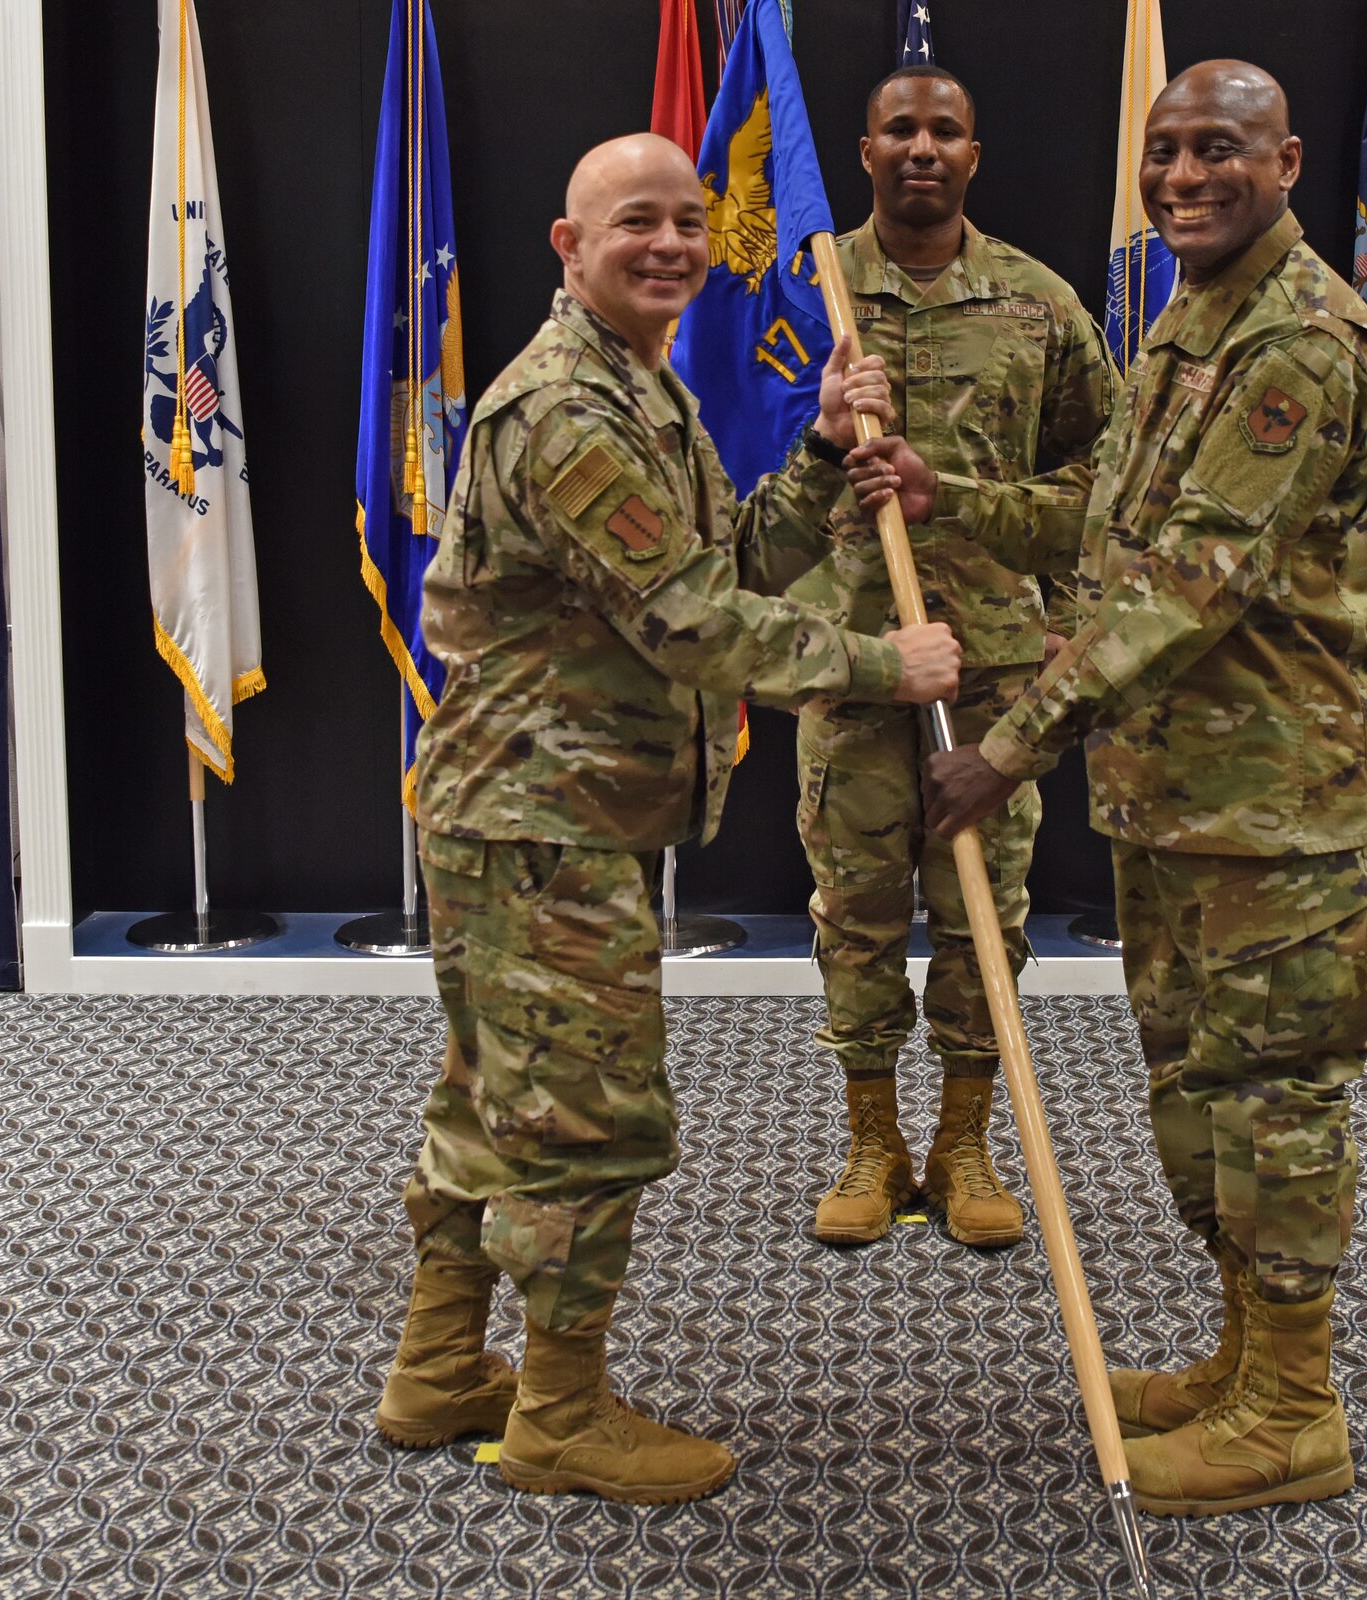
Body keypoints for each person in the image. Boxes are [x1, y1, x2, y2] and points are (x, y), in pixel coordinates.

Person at [373, 133, 960, 1504]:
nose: (673, 244)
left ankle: (439, 1372)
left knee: (492, 1100)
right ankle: (560, 1417)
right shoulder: (568, 410)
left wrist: (819, 459)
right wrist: (887, 665)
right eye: (636, 222)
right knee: (586, 1122)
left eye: (691, 221)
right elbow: (694, 623)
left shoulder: (641, 390)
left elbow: (719, 562)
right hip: (541, 825)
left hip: (554, 816)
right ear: (570, 247)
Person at [911, 62, 1367, 1515]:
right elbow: (1111, 524)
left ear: (1291, 161)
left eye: (1221, 152)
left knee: (1276, 1104)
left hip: (1276, 815)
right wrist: (954, 496)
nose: (1187, 177)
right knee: (1200, 1103)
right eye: (1167, 151)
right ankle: (1245, 1364)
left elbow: (1189, 586)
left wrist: (1009, 745)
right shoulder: (1192, 323)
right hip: (1177, 798)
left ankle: (1296, 1410)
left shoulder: (1302, 345)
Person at [784, 64, 1116, 1250]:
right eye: (898, 130)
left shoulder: (1038, 304)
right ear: (862, 149)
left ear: (973, 155)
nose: (920, 148)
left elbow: (1105, 482)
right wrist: (820, 436)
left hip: (989, 669)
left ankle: (963, 1140)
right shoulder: (808, 300)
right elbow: (752, 502)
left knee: (988, 918)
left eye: (944, 132)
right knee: (857, 914)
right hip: (853, 657)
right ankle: (871, 1139)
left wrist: (995, 535)